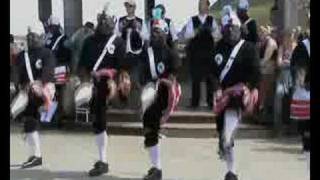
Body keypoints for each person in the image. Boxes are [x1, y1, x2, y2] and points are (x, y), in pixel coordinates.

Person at [78, 8, 127, 177]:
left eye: (108, 21)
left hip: (108, 84)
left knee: (100, 119)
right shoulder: (89, 41)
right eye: (103, 21)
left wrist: (113, 78)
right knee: (97, 122)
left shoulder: (118, 42)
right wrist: (84, 82)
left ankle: (103, 160)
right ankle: (102, 160)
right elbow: (83, 66)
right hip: (93, 84)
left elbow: (122, 67)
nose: (105, 24)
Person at [211, 12, 260, 180]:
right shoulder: (218, 47)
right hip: (222, 95)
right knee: (223, 133)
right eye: (228, 28)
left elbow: (256, 73)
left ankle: (231, 172)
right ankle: (230, 170)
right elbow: (211, 72)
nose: (231, 31)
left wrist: (249, 88)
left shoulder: (249, 48)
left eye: (234, 27)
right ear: (224, 30)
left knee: (228, 133)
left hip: (238, 96)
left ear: (240, 28)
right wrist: (216, 87)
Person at [140, 19, 181, 180]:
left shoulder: (171, 53)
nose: (155, 34)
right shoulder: (146, 52)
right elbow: (142, 74)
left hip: (163, 95)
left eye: (158, 31)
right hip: (150, 93)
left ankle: (157, 170)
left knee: (152, 129)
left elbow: (172, 79)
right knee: (148, 130)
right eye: (153, 31)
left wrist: (163, 83)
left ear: (165, 33)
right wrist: (145, 86)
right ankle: (155, 167)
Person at [13, 22, 56, 168]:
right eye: (29, 36)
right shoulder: (21, 56)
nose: (31, 39)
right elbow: (17, 73)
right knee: (29, 121)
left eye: (34, 36)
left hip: (44, 89)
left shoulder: (47, 53)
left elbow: (49, 72)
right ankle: (35, 155)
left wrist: (39, 83)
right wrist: (17, 84)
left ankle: (36, 155)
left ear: (41, 36)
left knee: (31, 119)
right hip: (29, 91)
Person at [182, 0, 220, 109]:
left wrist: (211, 31)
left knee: (209, 78)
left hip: (208, 53)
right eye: (199, 5)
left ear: (208, 6)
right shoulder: (192, 20)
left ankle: (210, 102)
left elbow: (217, 35)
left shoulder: (211, 20)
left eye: (203, 4)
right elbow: (187, 35)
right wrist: (197, 31)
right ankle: (195, 102)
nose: (201, 7)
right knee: (196, 78)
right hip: (195, 53)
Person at [115, 0, 144, 107]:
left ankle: (137, 103)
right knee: (122, 80)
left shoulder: (140, 21)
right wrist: (121, 28)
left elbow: (145, 37)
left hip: (135, 54)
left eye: (131, 6)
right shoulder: (120, 20)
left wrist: (138, 30)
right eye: (127, 6)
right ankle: (123, 103)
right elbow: (116, 36)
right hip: (123, 54)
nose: (129, 8)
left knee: (135, 80)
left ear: (135, 7)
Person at [44, 15, 72, 127]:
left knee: (56, 94)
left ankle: (55, 119)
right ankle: (52, 119)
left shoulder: (62, 39)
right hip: (54, 69)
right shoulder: (49, 38)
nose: (50, 29)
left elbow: (66, 55)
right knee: (54, 94)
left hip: (58, 69)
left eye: (51, 26)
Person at [290, 33, 310, 177]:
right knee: (306, 125)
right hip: (306, 92)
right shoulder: (303, 47)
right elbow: (297, 69)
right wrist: (301, 81)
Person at [273, 29, 297, 133]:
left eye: (291, 35)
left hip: (294, 78)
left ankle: (294, 127)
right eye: (288, 35)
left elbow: (297, 64)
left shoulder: (297, 47)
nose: (289, 37)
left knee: (295, 99)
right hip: (282, 77)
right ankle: (277, 126)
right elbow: (278, 63)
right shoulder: (282, 47)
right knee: (278, 95)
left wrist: (286, 63)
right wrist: (288, 63)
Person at [257, 25, 278, 122]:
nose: (260, 33)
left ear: (267, 32)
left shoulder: (271, 43)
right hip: (263, 71)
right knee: (262, 93)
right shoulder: (262, 43)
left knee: (266, 93)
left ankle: (265, 116)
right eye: (259, 31)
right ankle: (262, 115)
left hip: (268, 71)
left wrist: (256, 66)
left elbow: (266, 59)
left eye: (262, 31)